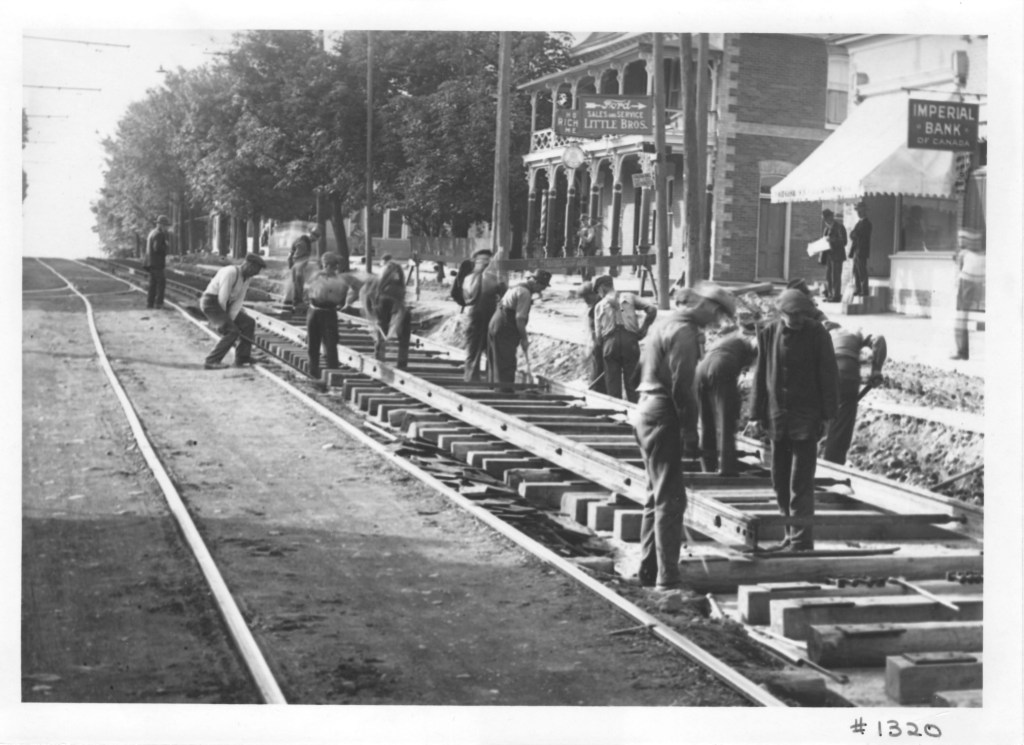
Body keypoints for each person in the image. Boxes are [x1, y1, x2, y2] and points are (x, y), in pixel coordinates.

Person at [634, 281, 736, 590]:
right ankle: (668, 578)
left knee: (656, 494)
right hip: (664, 413)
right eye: (717, 316)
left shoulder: (667, 323)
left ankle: (649, 571)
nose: (716, 323)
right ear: (708, 307)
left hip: (646, 409)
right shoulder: (685, 333)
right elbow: (682, 387)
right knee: (671, 499)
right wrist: (691, 431)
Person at [749, 289, 839, 551]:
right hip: (777, 417)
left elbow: (829, 375)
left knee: (800, 481)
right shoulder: (769, 334)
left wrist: (828, 415)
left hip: (807, 419)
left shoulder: (818, 334)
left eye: (802, 314)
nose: (797, 319)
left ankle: (801, 540)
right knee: (779, 479)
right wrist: (756, 413)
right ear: (782, 313)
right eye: (792, 315)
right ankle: (789, 532)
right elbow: (761, 374)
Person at [822, 321, 886, 465]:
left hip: (826, 373)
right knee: (841, 424)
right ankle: (833, 464)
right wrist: (876, 370)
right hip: (849, 374)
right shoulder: (855, 333)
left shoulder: (824, 333)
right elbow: (879, 339)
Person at [696, 328, 758, 477]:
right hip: (721, 368)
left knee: (706, 422)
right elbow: (755, 376)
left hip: (700, 371)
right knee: (727, 422)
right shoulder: (753, 347)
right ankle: (727, 468)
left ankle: (708, 467)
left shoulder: (731, 340)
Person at [592, 276, 657, 402]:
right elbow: (652, 309)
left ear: (603, 288)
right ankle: (635, 413)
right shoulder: (630, 297)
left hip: (610, 344)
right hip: (630, 343)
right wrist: (644, 328)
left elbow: (599, 338)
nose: (599, 295)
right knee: (633, 383)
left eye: (598, 291)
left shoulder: (599, 306)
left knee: (612, 386)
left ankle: (616, 413)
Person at [487, 270, 552, 393]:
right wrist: (524, 338)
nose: (541, 290)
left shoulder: (517, 287)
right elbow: (520, 319)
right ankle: (504, 392)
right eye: (542, 286)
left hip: (495, 322)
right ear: (535, 282)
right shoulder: (525, 293)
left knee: (496, 358)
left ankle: (494, 387)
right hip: (505, 326)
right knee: (506, 359)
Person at [200, 253, 267, 370]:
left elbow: (238, 301)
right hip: (211, 303)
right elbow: (223, 297)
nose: (256, 273)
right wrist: (225, 323)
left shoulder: (247, 277)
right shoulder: (230, 272)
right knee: (232, 331)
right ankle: (211, 361)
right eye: (256, 269)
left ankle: (242, 357)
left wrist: (231, 318)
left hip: (226, 304)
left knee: (248, 323)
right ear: (248, 265)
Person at [304, 252, 361, 382]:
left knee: (329, 344)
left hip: (325, 312)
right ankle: (315, 373)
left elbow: (358, 287)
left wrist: (348, 302)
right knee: (317, 344)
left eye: (330, 265)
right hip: (318, 312)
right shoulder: (317, 276)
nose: (328, 268)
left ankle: (330, 373)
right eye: (328, 265)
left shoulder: (341, 279)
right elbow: (305, 289)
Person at [461, 248, 506, 382]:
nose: (486, 263)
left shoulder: (495, 279)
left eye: (488, 260)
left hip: (491, 318)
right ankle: (471, 379)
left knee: (493, 350)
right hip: (474, 318)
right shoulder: (469, 279)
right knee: (473, 349)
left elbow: (504, 297)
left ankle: (491, 379)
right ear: (475, 262)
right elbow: (469, 297)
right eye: (482, 261)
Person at [360, 255, 411, 370]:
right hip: (386, 310)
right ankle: (387, 363)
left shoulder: (391, 286)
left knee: (388, 338)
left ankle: (397, 364)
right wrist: (374, 317)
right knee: (384, 338)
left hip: (394, 311)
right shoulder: (380, 287)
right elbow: (368, 299)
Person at [951, 228, 985, 360]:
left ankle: (962, 351)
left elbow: (959, 272)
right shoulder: (976, 255)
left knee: (960, 319)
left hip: (965, 285)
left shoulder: (965, 254)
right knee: (961, 319)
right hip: (966, 285)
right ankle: (962, 351)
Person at [578, 280, 606, 394]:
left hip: (600, 344)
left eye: (587, 297)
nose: (585, 301)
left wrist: (594, 344)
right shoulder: (592, 306)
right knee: (595, 370)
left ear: (594, 293)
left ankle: (598, 393)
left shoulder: (599, 306)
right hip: (595, 344)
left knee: (598, 371)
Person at [285, 225, 319, 311]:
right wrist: (299, 269)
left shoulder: (304, 241)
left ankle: (293, 302)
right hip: (298, 266)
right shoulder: (303, 243)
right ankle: (297, 303)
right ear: (312, 235)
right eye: (315, 237)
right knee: (298, 284)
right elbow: (298, 257)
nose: (315, 240)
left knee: (297, 284)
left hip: (298, 266)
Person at [143, 215, 171, 309]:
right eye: (166, 225)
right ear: (161, 225)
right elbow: (157, 248)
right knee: (161, 283)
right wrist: (166, 246)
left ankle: (150, 303)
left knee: (153, 284)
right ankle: (159, 303)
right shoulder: (159, 234)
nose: (167, 228)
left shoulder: (152, 233)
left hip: (150, 263)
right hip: (157, 263)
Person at [821, 209, 847, 302]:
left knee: (835, 276)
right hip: (829, 256)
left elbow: (844, 241)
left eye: (828, 218)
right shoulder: (826, 229)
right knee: (829, 276)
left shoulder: (839, 227)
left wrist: (831, 240)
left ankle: (836, 296)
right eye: (825, 219)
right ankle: (830, 295)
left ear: (831, 217)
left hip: (837, 256)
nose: (826, 221)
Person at [849, 202, 872, 297]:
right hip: (856, 250)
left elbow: (860, 236)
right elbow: (852, 235)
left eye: (860, 211)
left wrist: (855, 234)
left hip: (862, 250)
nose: (858, 213)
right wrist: (855, 234)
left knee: (862, 270)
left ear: (864, 211)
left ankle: (864, 289)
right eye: (858, 211)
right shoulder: (859, 223)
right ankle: (858, 289)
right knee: (856, 271)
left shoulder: (867, 224)